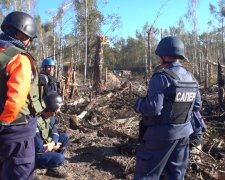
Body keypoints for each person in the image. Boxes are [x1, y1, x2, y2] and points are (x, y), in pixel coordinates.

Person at [133, 36, 202, 180]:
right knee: (176, 176)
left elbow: (153, 108)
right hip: (183, 134)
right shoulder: (191, 78)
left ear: (164, 55)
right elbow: (197, 106)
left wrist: (138, 104)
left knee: (146, 175)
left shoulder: (161, 76)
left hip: (160, 136)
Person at [0, 11, 44, 180]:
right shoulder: (18, 58)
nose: (29, 42)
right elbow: (16, 99)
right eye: (29, 38)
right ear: (21, 33)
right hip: (15, 134)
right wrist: (4, 124)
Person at [35, 92, 69, 178]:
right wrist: (51, 147)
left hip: (47, 144)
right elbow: (38, 148)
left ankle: (52, 170)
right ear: (52, 108)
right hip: (35, 152)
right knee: (59, 158)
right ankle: (30, 170)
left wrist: (53, 143)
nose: (59, 110)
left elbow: (55, 131)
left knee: (64, 137)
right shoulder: (36, 121)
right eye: (58, 108)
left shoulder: (51, 118)